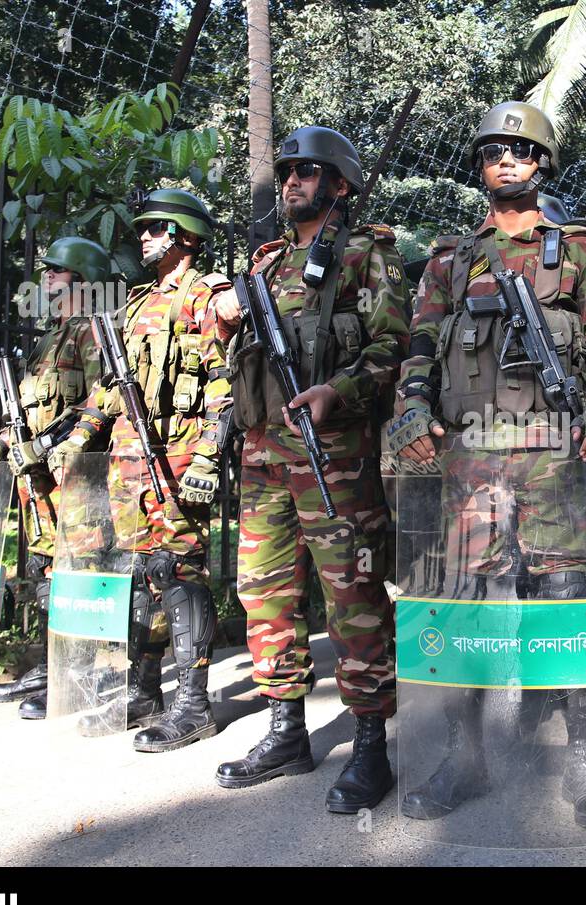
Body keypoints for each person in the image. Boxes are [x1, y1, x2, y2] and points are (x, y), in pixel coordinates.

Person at [388, 101, 586, 829]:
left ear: (542, 164)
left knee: (566, 600)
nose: (506, 162)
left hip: (554, 452)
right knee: (466, 603)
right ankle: (464, 756)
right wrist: (411, 407)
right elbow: (420, 347)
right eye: (494, 152)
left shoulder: (578, 251)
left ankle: (583, 760)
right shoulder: (450, 259)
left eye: (520, 151)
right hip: (470, 455)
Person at [211, 127, 407, 812]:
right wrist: (223, 318)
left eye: (308, 170)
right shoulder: (264, 265)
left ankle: (371, 747)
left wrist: (337, 392)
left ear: (340, 184)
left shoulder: (365, 255)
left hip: (335, 457)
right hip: (263, 455)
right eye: (288, 169)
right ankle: (286, 731)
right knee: (265, 593)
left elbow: (393, 348)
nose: (292, 179)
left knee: (353, 598)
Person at [57, 187, 234, 748]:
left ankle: (194, 703)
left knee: (178, 571)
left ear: (184, 235)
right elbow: (112, 387)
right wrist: (78, 439)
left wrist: (209, 456)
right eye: (143, 228)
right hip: (127, 461)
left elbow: (226, 384)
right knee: (139, 575)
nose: (143, 237)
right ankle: (145, 689)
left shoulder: (206, 296)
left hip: (176, 459)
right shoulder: (134, 305)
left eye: (155, 227)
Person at [0, 237, 108, 718]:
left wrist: (61, 447)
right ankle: (55, 667)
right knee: (47, 571)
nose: (47, 274)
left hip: (75, 478)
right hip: (39, 481)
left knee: (78, 571)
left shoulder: (92, 332)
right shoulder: (49, 338)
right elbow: (27, 414)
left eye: (58, 269)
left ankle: (79, 675)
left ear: (84, 278)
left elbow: (102, 400)